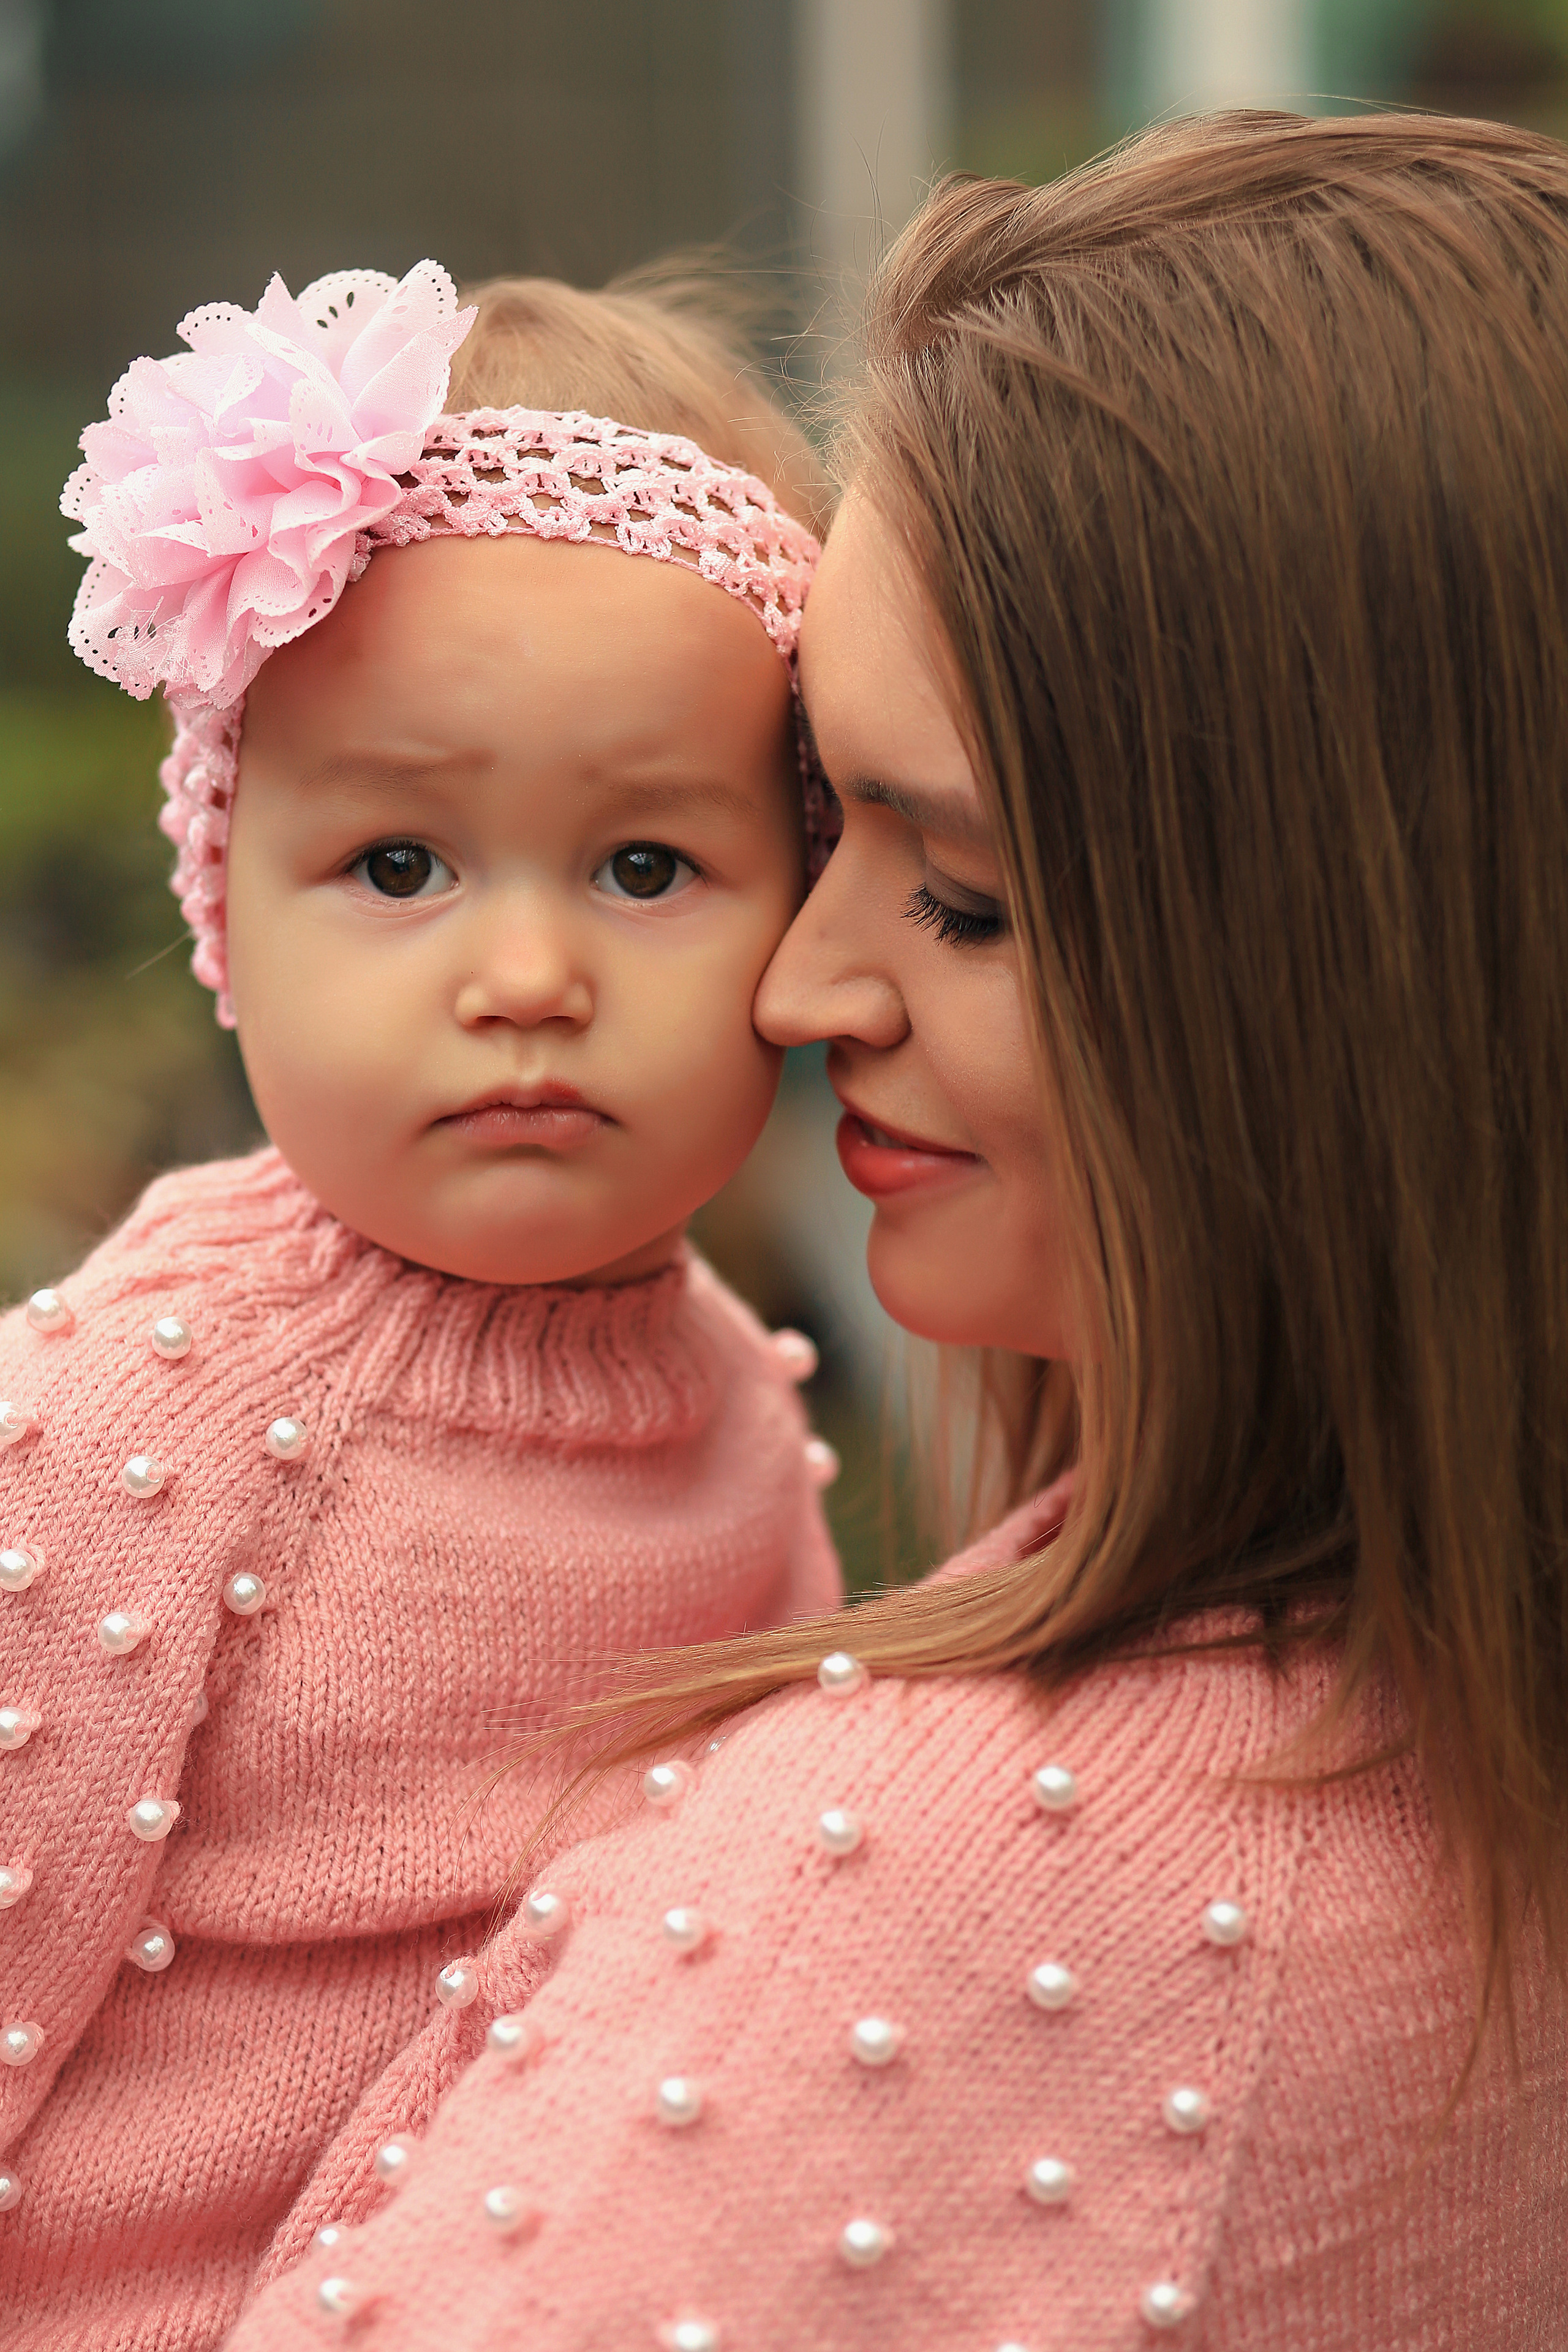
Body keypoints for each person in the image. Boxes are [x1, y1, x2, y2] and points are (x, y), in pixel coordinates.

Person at [225, 113, 1568, 2352]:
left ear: (1357, 972)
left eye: (959, 894)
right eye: (817, 827)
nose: (797, 988)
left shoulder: (944, 1898)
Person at [0, 262, 844, 2348]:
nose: (530, 977)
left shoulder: (745, 1406)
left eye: (647, 869)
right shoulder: (138, 1415)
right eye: (400, 867)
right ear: (226, 900)